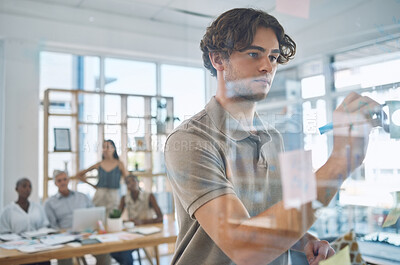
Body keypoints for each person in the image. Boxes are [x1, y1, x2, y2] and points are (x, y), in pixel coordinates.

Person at [164, 8, 380, 265]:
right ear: (218, 59)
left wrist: (306, 240)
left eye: (274, 57)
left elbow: (286, 213)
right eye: (254, 54)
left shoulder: (277, 138)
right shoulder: (190, 141)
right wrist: (339, 163)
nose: (267, 66)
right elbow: (245, 248)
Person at [44, 170, 132, 265]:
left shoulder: (82, 196)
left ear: (68, 180)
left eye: (64, 179)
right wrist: (64, 234)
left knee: (104, 253)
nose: (63, 182)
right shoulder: (49, 203)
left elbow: (94, 214)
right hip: (66, 238)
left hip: (87, 234)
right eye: (59, 180)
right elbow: (53, 227)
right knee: (64, 257)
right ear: (55, 183)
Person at [0, 178, 50, 265]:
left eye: (30, 186)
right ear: (16, 189)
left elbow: (44, 226)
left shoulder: (37, 207)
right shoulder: (8, 210)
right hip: (17, 250)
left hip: (39, 247)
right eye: (24, 186)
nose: (28, 189)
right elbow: (4, 233)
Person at [76, 139, 129, 215]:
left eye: (107, 147)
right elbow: (79, 175)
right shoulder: (99, 164)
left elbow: (127, 179)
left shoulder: (120, 164)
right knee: (97, 218)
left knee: (112, 218)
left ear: (113, 149)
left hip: (113, 196)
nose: (105, 149)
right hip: (99, 196)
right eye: (103, 147)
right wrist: (94, 186)